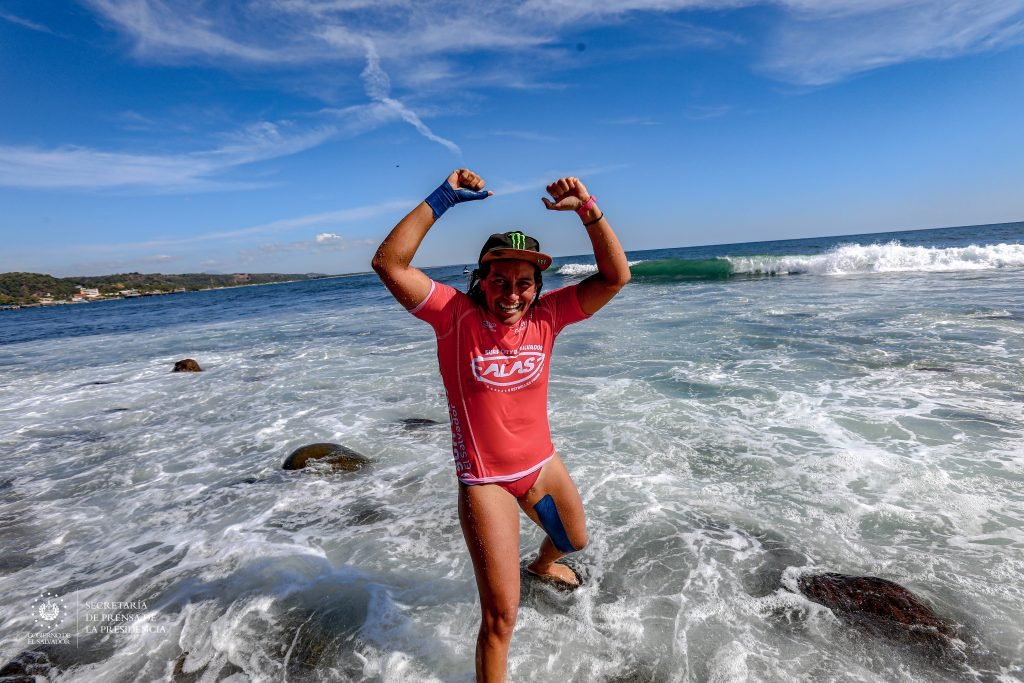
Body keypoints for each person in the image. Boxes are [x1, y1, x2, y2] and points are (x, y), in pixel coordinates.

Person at [371, 168, 630, 682]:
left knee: (574, 539)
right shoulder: (454, 317)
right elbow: (388, 263)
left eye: (523, 283)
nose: (512, 294)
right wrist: (443, 198)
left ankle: (541, 565)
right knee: (501, 618)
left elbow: (615, 277)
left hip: (541, 466)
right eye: (500, 281)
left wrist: (587, 209)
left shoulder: (548, 317)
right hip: (485, 481)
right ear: (481, 281)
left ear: (537, 287)